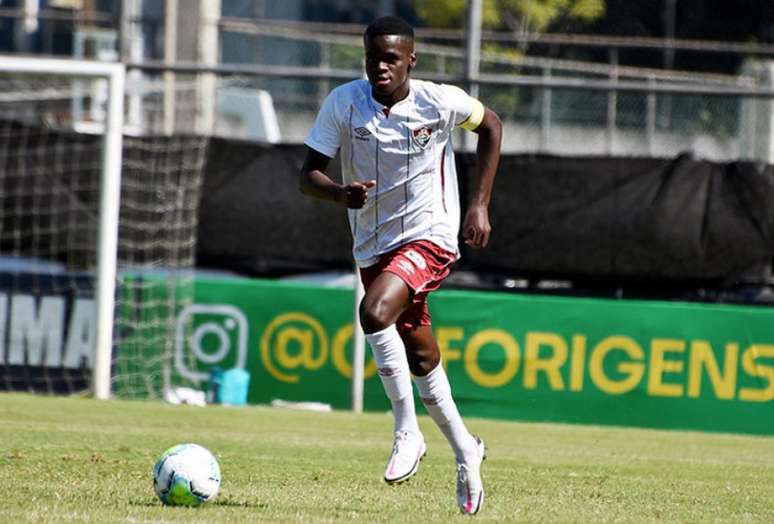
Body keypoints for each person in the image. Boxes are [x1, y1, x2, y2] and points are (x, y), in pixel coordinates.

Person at [299, 15, 502, 515]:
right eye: (373, 57)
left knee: (373, 313)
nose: (381, 67)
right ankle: (466, 450)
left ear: (411, 59)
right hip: (372, 245)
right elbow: (307, 175)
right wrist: (339, 193)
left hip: (430, 236)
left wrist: (479, 203)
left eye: (391, 58)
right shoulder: (344, 103)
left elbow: (493, 126)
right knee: (422, 358)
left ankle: (405, 429)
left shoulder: (440, 102)